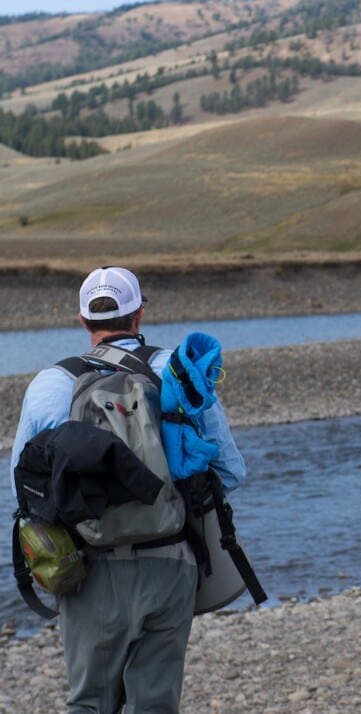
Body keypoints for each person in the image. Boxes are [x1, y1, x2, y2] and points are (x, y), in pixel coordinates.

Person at [9, 266, 246, 713]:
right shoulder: (176, 373)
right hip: (171, 561)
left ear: (82, 322)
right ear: (138, 316)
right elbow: (230, 471)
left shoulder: (51, 384)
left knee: (90, 704)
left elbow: (23, 491)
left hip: (88, 570)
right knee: (155, 704)